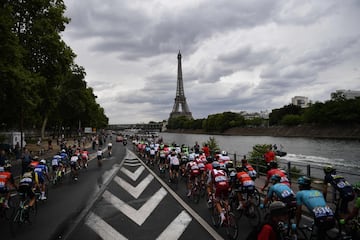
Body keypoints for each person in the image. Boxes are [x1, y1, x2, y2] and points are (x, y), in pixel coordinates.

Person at [207, 161, 230, 225]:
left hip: (219, 186)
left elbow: (210, 182)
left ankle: (222, 216)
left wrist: (211, 191)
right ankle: (227, 210)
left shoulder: (211, 172)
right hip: (226, 185)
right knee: (225, 198)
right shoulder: (223, 171)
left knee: (216, 201)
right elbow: (226, 179)